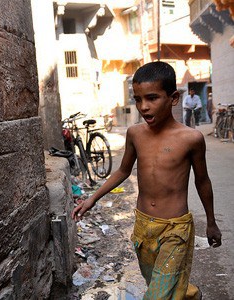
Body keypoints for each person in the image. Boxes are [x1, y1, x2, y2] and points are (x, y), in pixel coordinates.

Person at [72, 62, 222, 299]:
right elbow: (122, 171)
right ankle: (190, 294)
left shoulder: (191, 138)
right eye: (138, 99)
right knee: (157, 282)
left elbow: (202, 181)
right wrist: (93, 198)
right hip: (143, 227)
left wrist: (211, 222)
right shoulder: (135, 134)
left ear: (173, 98)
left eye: (152, 98)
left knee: (157, 295)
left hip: (175, 229)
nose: (144, 106)